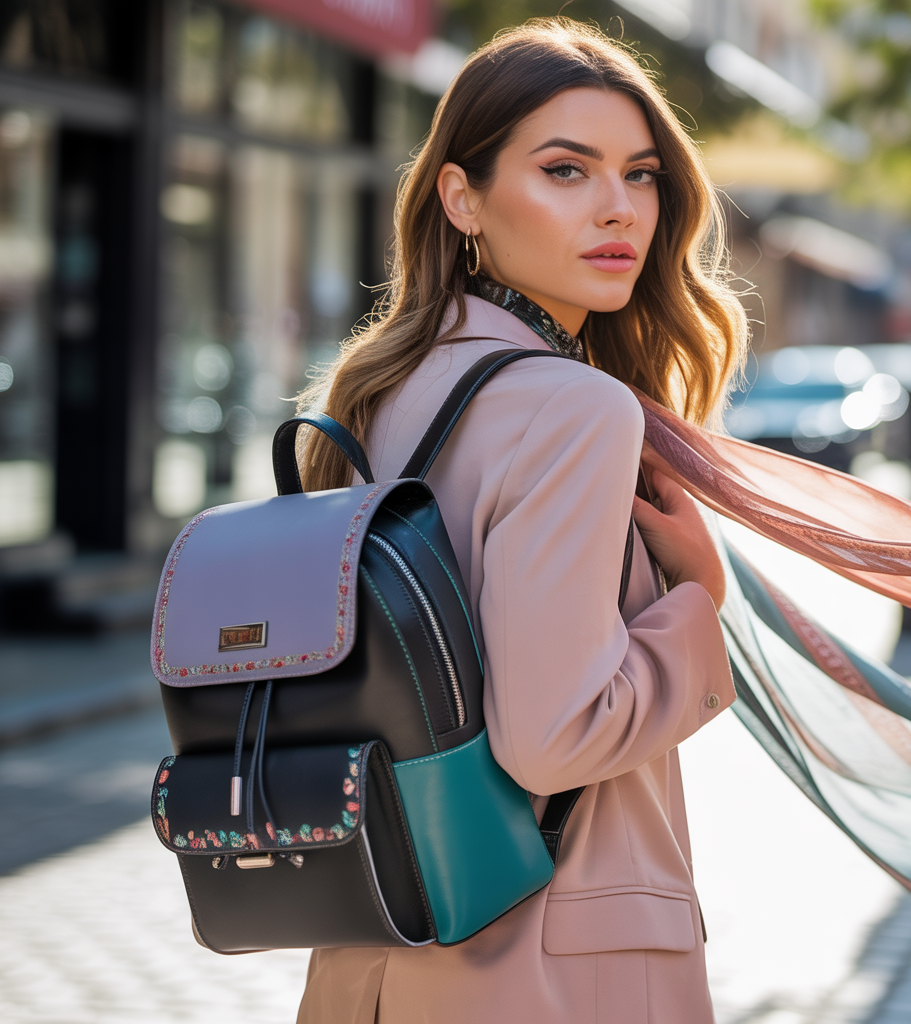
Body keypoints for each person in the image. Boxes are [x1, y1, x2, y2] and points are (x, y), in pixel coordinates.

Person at [295, 18, 748, 1024]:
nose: (616, 208)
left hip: (378, 954)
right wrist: (696, 609)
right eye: (564, 170)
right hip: (550, 965)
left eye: (639, 175)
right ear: (462, 197)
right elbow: (552, 737)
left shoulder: (380, 394)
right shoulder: (575, 407)